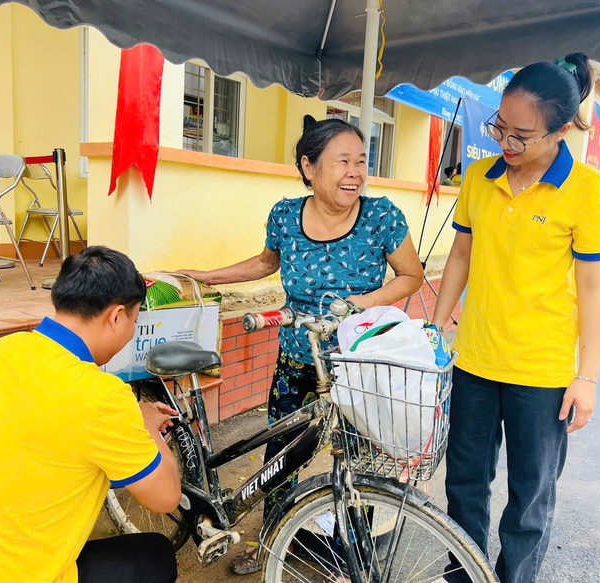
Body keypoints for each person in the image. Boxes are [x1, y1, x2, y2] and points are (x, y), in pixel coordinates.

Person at [180, 114, 424, 574]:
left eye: (361, 161)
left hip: (356, 363)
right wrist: (209, 276)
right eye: (343, 161)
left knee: (358, 458)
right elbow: (265, 262)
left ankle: (353, 550)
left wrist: (357, 303)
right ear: (308, 167)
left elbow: (411, 276)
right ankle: (272, 539)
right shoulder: (285, 215)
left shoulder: (382, 216)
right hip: (297, 355)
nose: (355, 172)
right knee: (283, 457)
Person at [0, 246, 182, 583]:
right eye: (135, 318)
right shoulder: (102, 397)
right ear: (116, 317)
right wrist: (145, 426)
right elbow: (166, 498)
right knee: (156, 556)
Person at [432, 53, 600, 583]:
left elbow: (593, 287)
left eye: (521, 136)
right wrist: (437, 325)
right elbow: (461, 256)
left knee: (531, 497)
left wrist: (587, 376)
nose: (505, 146)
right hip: (476, 360)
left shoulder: (589, 192)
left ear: (560, 130)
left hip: (543, 371)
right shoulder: (478, 177)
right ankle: (463, 575)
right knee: (464, 482)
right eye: (499, 129)